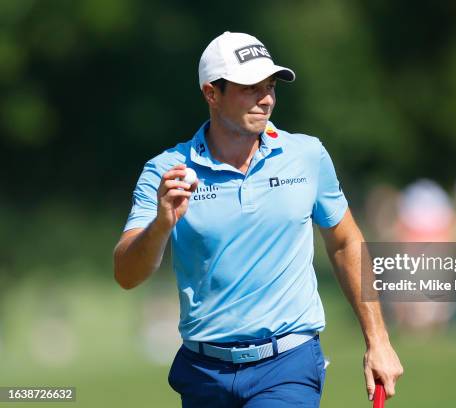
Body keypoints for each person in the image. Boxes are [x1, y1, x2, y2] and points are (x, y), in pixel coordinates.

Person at [113, 31, 402, 407]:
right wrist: (161, 225)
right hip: (203, 374)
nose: (265, 99)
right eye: (250, 88)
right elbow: (126, 274)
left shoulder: (307, 155)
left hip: (288, 366)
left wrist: (378, 340)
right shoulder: (167, 171)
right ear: (211, 94)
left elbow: (346, 241)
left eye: (269, 86)